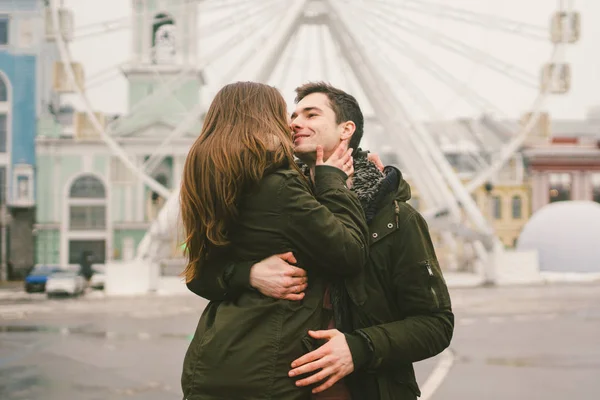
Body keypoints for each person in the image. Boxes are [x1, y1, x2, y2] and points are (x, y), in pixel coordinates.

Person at [188, 82, 454, 400]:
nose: (294, 122)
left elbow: (435, 324)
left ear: (347, 130)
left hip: (361, 389)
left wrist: (359, 347)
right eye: (292, 115)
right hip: (275, 385)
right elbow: (200, 274)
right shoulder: (266, 192)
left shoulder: (396, 219)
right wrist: (249, 274)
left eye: (311, 114)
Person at [179, 81, 369, 400]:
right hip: (264, 370)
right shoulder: (279, 185)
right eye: (285, 114)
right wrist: (333, 182)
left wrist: (246, 274)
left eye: (307, 114)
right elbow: (349, 252)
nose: (291, 123)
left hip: (210, 361)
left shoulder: (212, 185)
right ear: (264, 119)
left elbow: (198, 275)